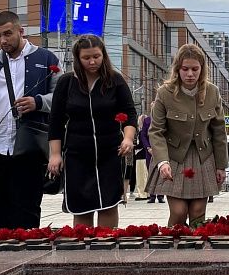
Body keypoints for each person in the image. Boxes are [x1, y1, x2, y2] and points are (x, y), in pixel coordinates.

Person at [0, 11, 61, 230]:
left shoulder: (46, 59)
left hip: (29, 147)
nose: (3, 40)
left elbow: (62, 98)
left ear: (21, 31)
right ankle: (2, 260)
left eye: (7, 33)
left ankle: (26, 258)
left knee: (28, 212)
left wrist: (38, 102)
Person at [47, 35, 137, 228]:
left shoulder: (115, 80)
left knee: (108, 204)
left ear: (103, 55)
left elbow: (129, 113)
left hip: (110, 152)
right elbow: (55, 121)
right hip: (77, 154)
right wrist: (55, 154)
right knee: (81, 206)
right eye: (86, 58)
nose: (92, 61)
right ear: (78, 58)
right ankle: (82, 251)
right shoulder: (66, 82)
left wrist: (128, 138)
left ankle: (107, 247)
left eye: (96, 56)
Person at [146, 44, 228, 226]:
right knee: (179, 212)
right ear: (177, 69)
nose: (190, 74)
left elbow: (219, 131)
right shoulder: (164, 93)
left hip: (203, 157)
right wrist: (162, 161)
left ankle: (196, 253)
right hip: (173, 158)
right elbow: (156, 131)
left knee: (198, 212)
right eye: (185, 69)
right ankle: (173, 250)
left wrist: (221, 166)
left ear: (202, 69)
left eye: (195, 69)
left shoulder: (212, 92)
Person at [141, 102, 164, 204]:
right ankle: (152, 196)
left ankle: (160, 195)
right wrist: (148, 147)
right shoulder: (147, 120)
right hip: (150, 151)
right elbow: (143, 136)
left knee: (161, 173)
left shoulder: (163, 119)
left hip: (161, 150)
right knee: (150, 173)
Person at [133, 113, 150, 201]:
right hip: (145, 155)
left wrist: (133, 146)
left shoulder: (141, 132)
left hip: (140, 155)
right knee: (145, 175)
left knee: (140, 176)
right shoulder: (147, 131)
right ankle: (147, 193)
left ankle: (142, 194)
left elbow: (141, 144)